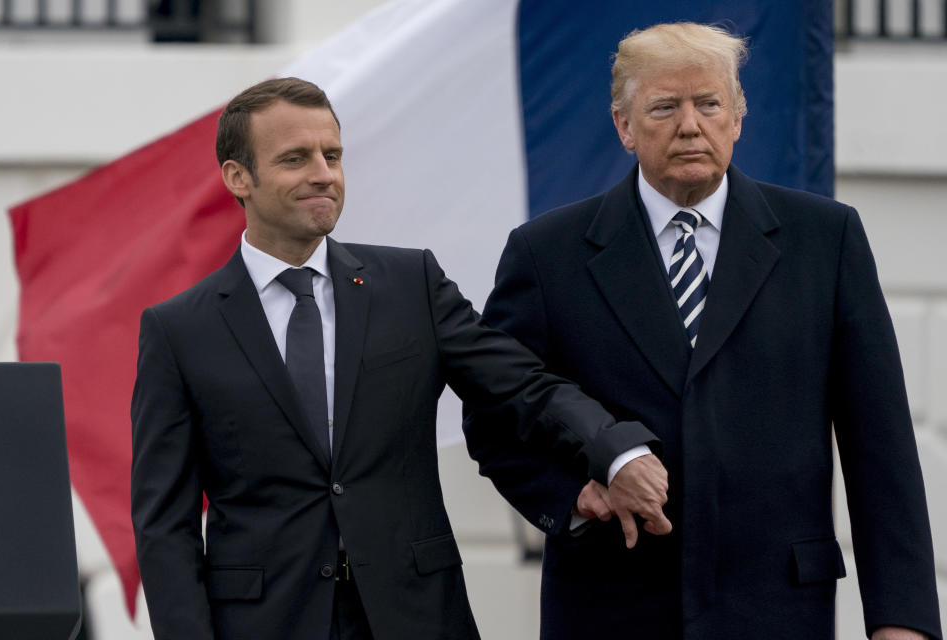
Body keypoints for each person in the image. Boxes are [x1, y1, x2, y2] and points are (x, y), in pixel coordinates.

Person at [130, 77, 664, 640]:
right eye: (295, 159)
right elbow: (166, 525)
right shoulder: (178, 330)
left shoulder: (412, 285)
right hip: (262, 623)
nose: (323, 174)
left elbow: (521, 386)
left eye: (331, 155)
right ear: (238, 177)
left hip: (417, 615)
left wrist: (614, 450)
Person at [463, 22, 942, 640]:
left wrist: (902, 621)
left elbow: (882, 447)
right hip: (611, 609)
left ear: (737, 118)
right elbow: (496, 415)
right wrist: (575, 496)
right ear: (624, 126)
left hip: (777, 611)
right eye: (665, 107)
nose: (690, 125)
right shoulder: (546, 253)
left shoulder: (825, 239)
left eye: (709, 104)